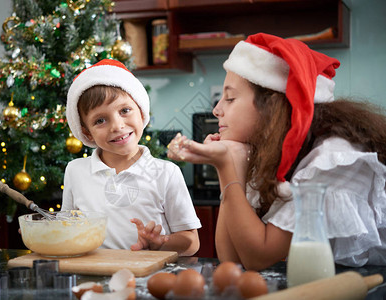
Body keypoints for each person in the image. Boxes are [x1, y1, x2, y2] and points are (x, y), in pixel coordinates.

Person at [168, 33, 386, 269]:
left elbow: (258, 257)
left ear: (271, 107)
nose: (217, 110)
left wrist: (226, 166)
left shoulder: (335, 158)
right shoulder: (267, 152)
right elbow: (231, 257)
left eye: (230, 98)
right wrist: (231, 164)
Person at [63, 59, 201, 256]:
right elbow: (68, 227)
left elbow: (191, 242)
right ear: (87, 133)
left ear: (142, 110)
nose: (117, 126)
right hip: (94, 279)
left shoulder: (166, 173)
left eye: (125, 110)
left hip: (150, 282)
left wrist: (160, 242)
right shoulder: (75, 171)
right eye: (100, 120)